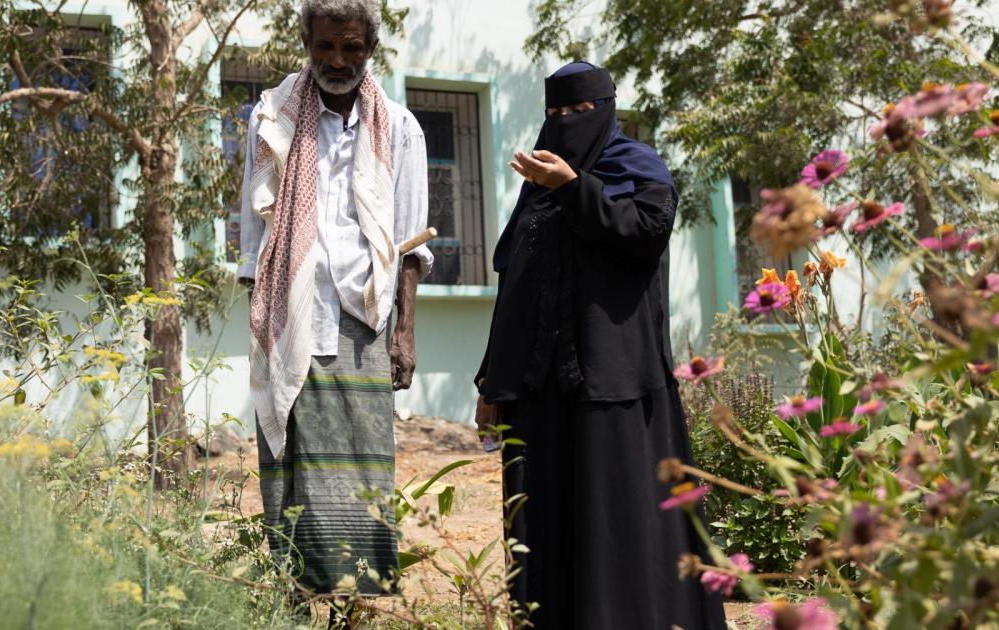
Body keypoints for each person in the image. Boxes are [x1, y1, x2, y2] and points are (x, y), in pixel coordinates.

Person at [474, 61, 727, 629]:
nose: (565, 122)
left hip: (613, 384)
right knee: (542, 526)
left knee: (617, 519)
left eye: (579, 112)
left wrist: (573, 187)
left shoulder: (637, 168)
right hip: (538, 390)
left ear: (607, 110)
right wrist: (492, 382)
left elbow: (643, 232)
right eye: (555, 113)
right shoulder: (535, 192)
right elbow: (513, 283)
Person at [237, 0, 431, 604]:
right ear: (307, 43)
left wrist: (405, 332)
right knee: (291, 460)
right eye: (325, 47)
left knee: (360, 465)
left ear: (370, 49)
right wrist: (262, 326)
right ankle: (293, 596)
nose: (337, 60)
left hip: (365, 321)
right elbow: (252, 236)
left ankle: (354, 600)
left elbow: (410, 240)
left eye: (350, 47)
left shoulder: (399, 127)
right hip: (289, 314)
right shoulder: (272, 119)